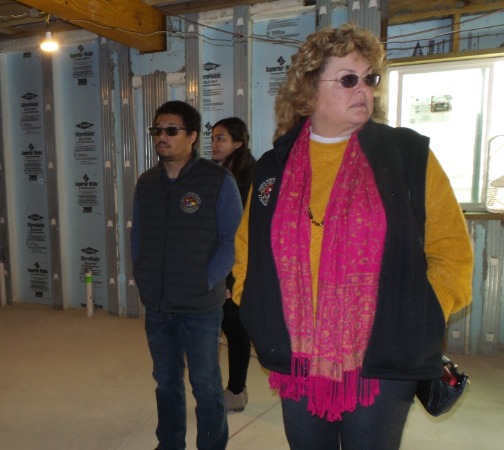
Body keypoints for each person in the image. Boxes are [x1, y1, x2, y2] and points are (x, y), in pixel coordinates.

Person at [232, 23, 473, 449]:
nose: (363, 89)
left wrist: (421, 315)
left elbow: (451, 250)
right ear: (308, 93)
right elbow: (246, 252)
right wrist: (257, 310)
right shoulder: (273, 167)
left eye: (370, 79)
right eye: (348, 79)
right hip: (298, 359)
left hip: (383, 358)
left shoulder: (407, 156)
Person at [131, 100, 241, 450]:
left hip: (200, 307)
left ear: (192, 136)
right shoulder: (147, 182)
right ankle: (170, 444)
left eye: (171, 131)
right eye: (157, 131)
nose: (161, 137)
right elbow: (138, 235)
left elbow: (232, 239)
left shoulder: (218, 180)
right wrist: (142, 274)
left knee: (206, 385)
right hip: (159, 304)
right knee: (165, 381)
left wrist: (208, 281)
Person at [210, 117, 255, 413]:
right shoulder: (216, 174)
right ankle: (234, 389)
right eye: (212, 137)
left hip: (237, 266)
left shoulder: (246, 178)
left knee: (234, 327)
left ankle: (236, 390)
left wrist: (228, 279)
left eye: (221, 138)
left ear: (237, 143)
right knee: (228, 325)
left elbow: (240, 232)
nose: (214, 144)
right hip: (220, 263)